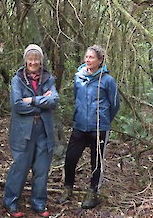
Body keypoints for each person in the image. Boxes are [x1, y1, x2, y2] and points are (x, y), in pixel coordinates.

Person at [57, 45, 120, 209]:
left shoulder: (107, 80)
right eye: (87, 56)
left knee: (96, 162)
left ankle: (93, 193)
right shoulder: (78, 77)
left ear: (100, 61)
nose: (88, 60)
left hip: (98, 128)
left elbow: (114, 104)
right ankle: (67, 188)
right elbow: (76, 97)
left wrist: (104, 119)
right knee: (70, 159)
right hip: (79, 126)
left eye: (92, 57)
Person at [3, 44, 59, 218]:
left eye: (36, 58)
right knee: (20, 166)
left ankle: (38, 202)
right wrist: (41, 104)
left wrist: (32, 100)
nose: (33, 62)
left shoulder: (48, 79)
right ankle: (10, 202)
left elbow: (54, 100)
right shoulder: (17, 79)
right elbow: (17, 105)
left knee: (42, 168)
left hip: (44, 130)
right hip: (23, 131)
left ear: (41, 60)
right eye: (30, 58)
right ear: (25, 60)